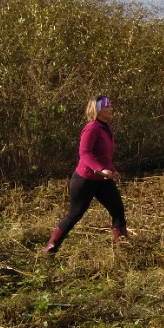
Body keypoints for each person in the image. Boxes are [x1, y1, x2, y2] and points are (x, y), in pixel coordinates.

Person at [44, 95, 128, 255]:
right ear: (97, 110)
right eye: (107, 106)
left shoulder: (107, 128)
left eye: (111, 106)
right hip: (85, 180)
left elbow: (105, 155)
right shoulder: (91, 128)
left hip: (103, 180)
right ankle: (50, 249)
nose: (111, 109)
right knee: (75, 214)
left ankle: (123, 249)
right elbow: (85, 154)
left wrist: (112, 169)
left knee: (118, 209)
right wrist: (100, 169)